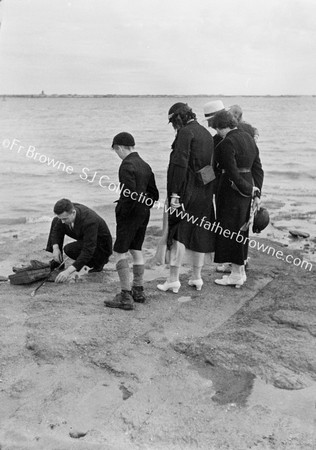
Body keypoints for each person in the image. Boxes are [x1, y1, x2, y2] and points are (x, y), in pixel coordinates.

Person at [157, 102, 215, 293]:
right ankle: (196, 277)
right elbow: (210, 165)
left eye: (173, 121)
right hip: (205, 189)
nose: (174, 126)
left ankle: (173, 279)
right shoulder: (206, 133)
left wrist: (175, 194)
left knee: (178, 232)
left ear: (178, 118)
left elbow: (179, 165)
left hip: (186, 190)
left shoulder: (184, 133)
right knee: (199, 231)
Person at [104, 132, 159, 310]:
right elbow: (154, 194)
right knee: (136, 249)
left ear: (119, 147)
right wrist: (144, 207)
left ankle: (125, 295)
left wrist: (123, 211)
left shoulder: (126, 165)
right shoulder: (145, 164)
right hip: (144, 212)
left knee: (119, 251)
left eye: (115, 150)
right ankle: (138, 290)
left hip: (130, 213)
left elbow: (129, 193)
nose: (117, 154)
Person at [211, 110, 264, 287]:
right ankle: (240, 272)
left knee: (230, 229)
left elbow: (232, 173)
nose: (217, 133)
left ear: (221, 127)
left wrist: (250, 190)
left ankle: (235, 274)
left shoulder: (228, 142)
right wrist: (256, 192)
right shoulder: (249, 138)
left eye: (217, 129)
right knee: (242, 229)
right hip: (247, 185)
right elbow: (258, 168)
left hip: (231, 189)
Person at [46, 199, 113, 283]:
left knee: (69, 249)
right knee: (56, 221)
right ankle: (57, 261)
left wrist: (68, 271)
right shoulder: (69, 208)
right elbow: (56, 229)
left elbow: (88, 250)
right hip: (86, 237)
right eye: (62, 218)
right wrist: (55, 248)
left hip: (101, 248)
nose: (63, 222)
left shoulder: (90, 221)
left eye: (65, 219)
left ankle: (94, 264)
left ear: (73, 213)